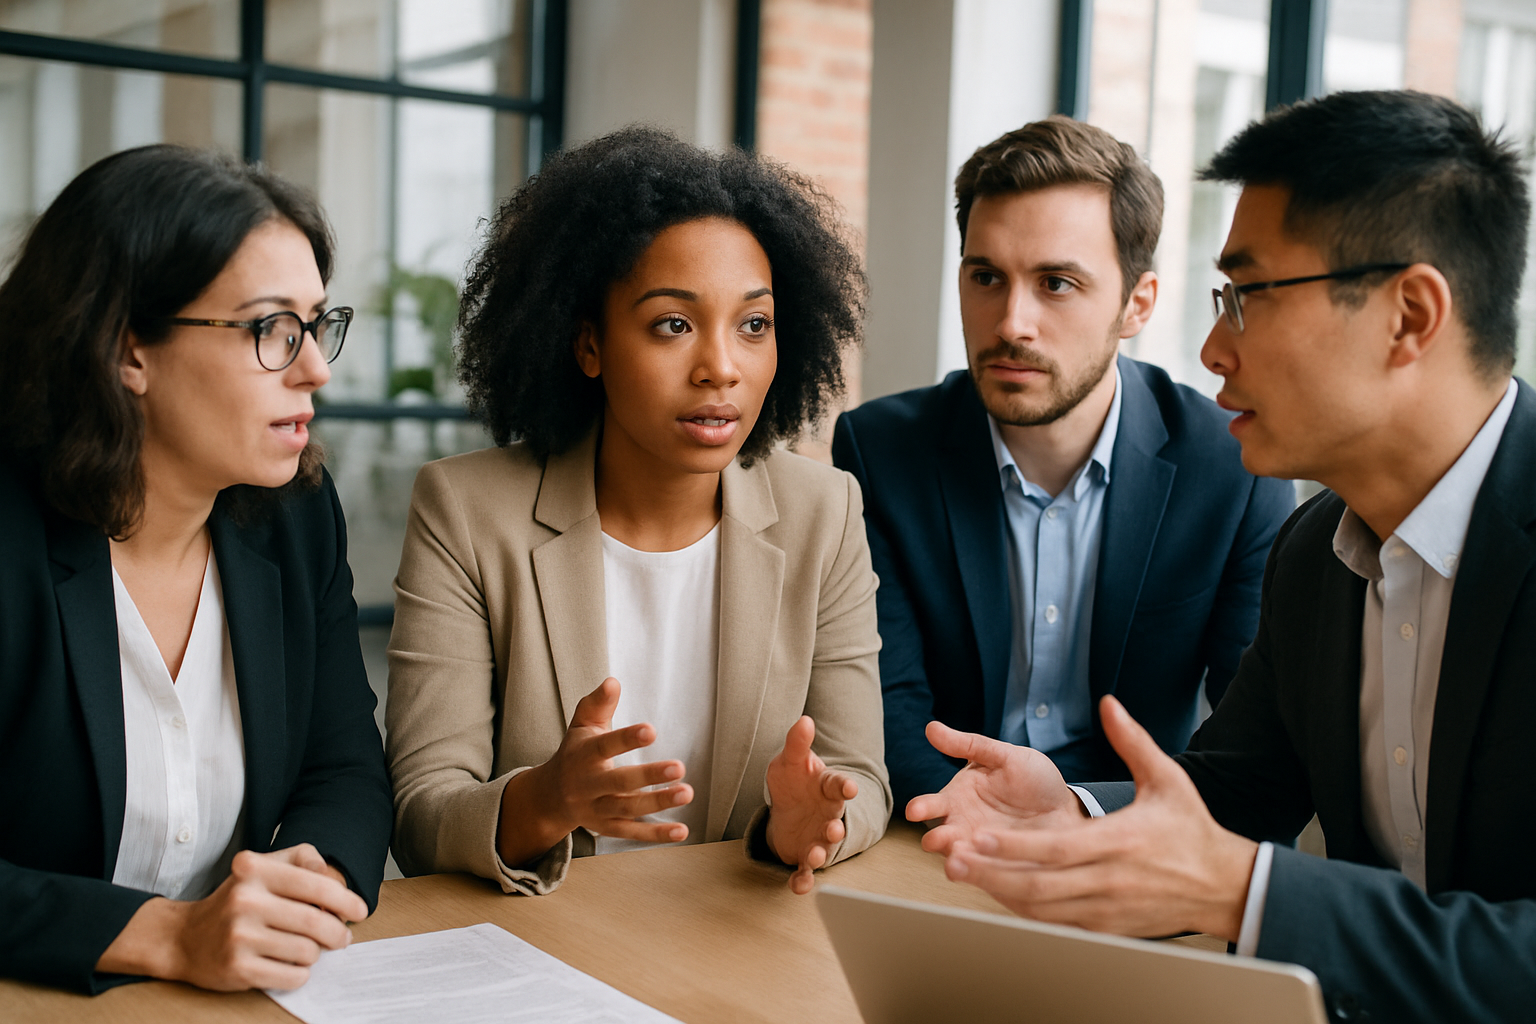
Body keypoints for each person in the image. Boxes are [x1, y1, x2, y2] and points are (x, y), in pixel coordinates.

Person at [910, 90, 1536, 1023]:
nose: (1211, 349)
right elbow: (1237, 791)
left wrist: (1247, 894)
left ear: (1410, 315)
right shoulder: (1314, 553)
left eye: (1249, 296)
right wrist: (1074, 809)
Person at [385, 126, 890, 898]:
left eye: (753, 324)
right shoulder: (466, 511)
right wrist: (546, 798)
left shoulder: (825, 511)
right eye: (673, 325)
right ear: (587, 343)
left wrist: (804, 828)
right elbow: (422, 814)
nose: (720, 366)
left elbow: (859, 777)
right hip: (541, 951)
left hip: (737, 940)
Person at [0, 146, 392, 994]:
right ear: (125, 349)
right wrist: (168, 936)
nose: (316, 368)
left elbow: (344, 768)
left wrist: (303, 894)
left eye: (315, 324)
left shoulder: (295, 515)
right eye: (268, 330)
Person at [832, 117, 1294, 807]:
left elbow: (1253, 757)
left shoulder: (1231, 466)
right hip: (937, 834)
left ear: (1136, 303)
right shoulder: (880, 453)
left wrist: (1075, 816)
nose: (1011, 322)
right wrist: (984, 822)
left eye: (1056, 283)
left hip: (1132, 850)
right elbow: (887, 711)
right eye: (986, 276)